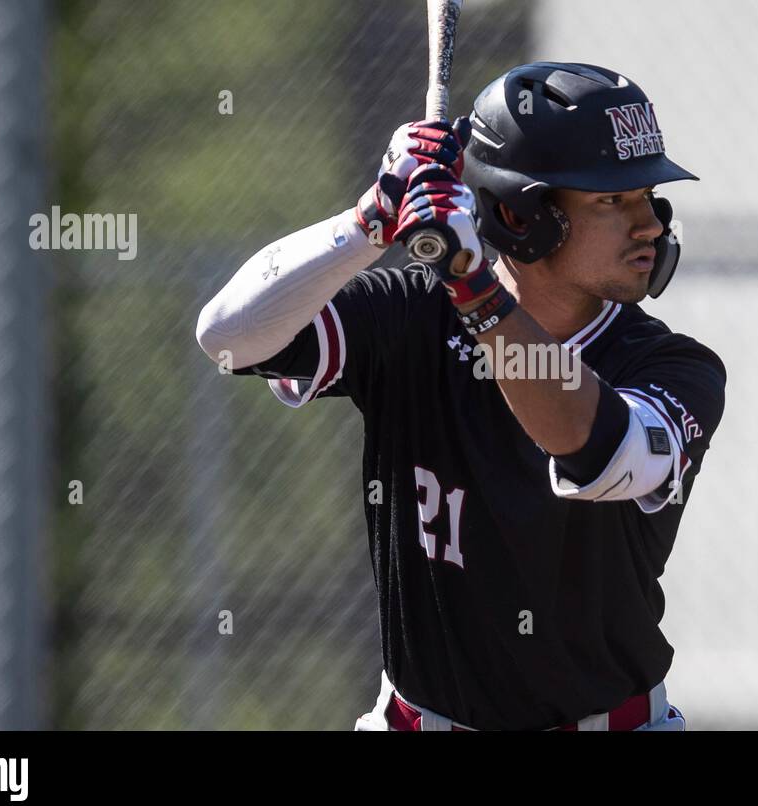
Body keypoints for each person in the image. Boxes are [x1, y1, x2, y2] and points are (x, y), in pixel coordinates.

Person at [195, 62, 726, 731]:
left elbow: (596, 448)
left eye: (646, 195)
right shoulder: (412, 315)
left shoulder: (675, 366)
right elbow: (226, 336)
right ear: (520, 216)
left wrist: (473, 286)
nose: (649, 224)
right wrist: (370, 220)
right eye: (611, 201)